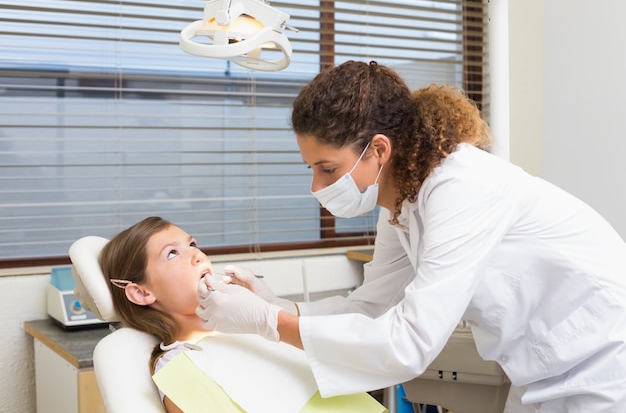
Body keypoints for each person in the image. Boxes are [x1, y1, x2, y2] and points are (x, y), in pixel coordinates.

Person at [196, 60, 626, 413]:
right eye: (311, 169)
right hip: (543, 370)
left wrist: (267, 323)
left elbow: (410, 343)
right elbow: (373, 306)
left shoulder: (462, 187)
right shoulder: (402, 200)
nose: (316, 188)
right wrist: (277, 305)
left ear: (379, 150)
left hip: (604, 363)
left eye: (327, 168)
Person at [99, 216, 386, 413]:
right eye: (172, 254)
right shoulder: (178, 366)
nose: (196, 255)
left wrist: (271, 308)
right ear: (141, 293)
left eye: (192, 244)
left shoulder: (251, 327)